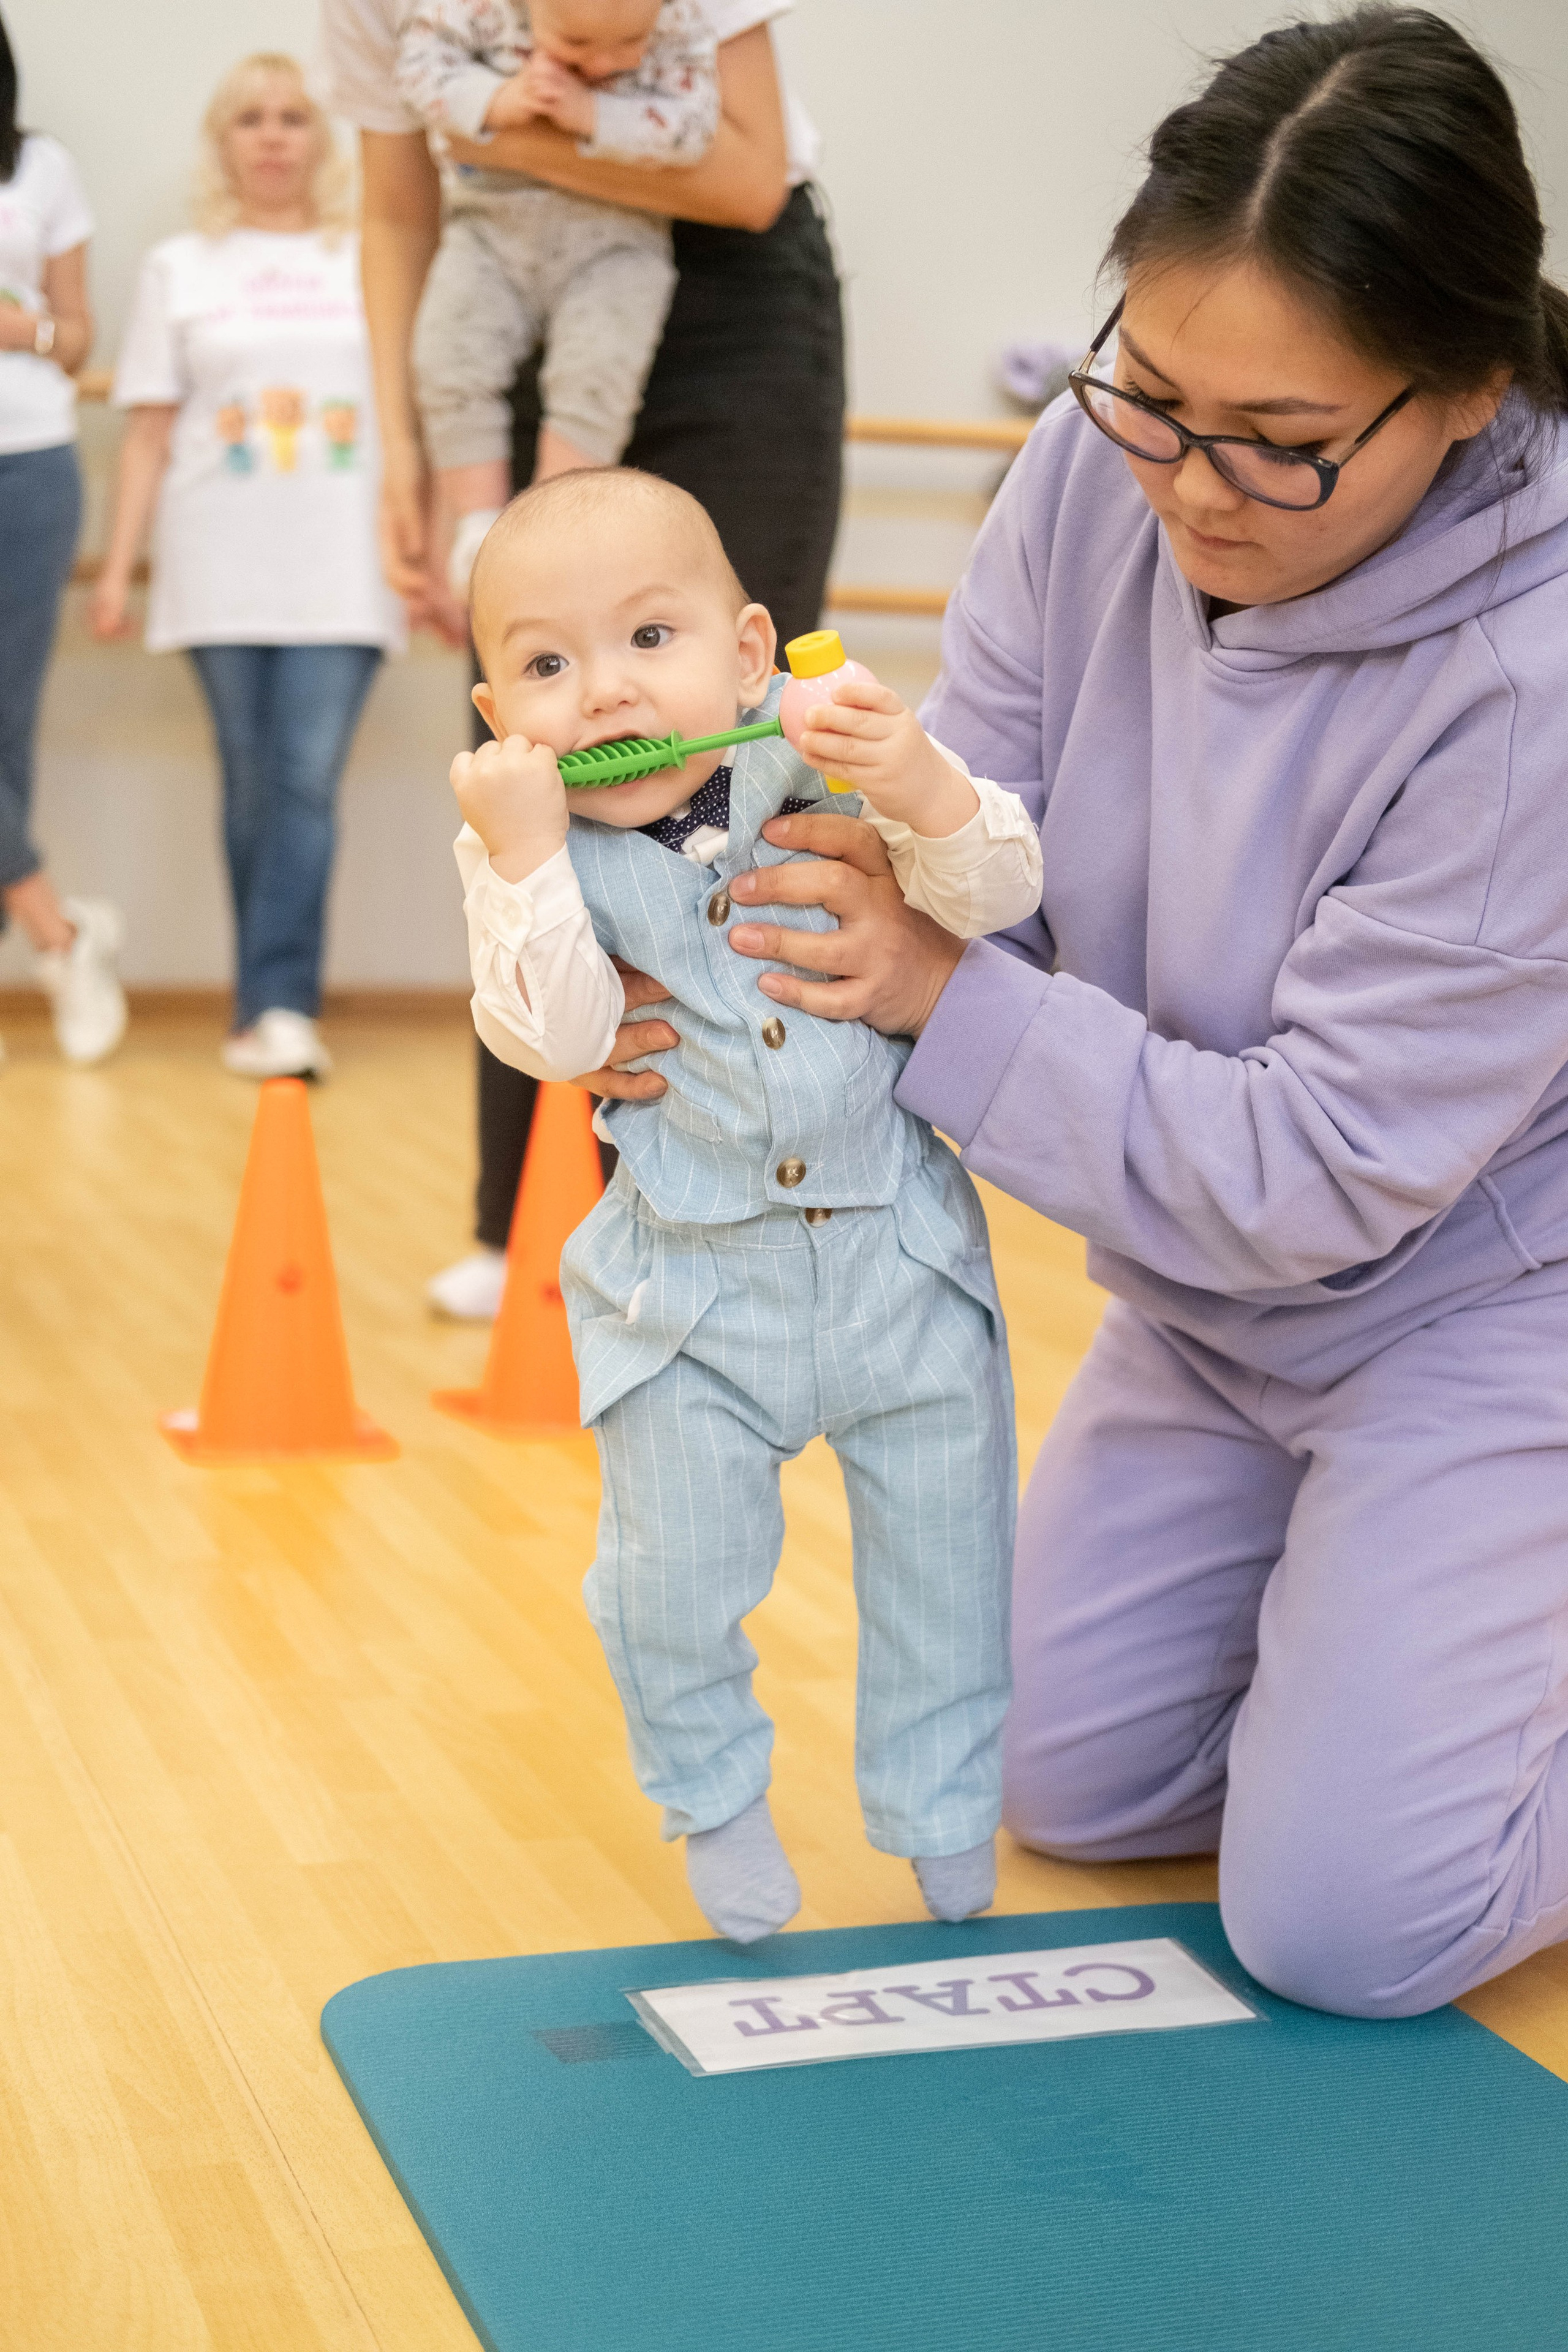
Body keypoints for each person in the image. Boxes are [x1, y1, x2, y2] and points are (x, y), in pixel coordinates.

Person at [606, 3, 1568, 2019]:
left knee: (1348, 1930)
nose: (1194, 488)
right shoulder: (1089, 467)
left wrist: (931, 985)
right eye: (1155, 393)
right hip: (1213, 1303)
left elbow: (1315, 1167)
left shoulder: (1533, 683)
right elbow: (968, 848)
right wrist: (708, 961)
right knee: (1060, 1776)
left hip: (1485, 1308)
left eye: (1284, 442)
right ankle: (1403, 1636)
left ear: (1473, 388)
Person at [451, 466, 1042, 1939]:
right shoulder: (523, 852)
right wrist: (524, 858)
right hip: (685, 1297)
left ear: (748, 651)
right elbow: (555, 1039)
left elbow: (998, 894)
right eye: (546, 667)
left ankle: (941, 1813)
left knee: (950, 1566)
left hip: (903, 1263)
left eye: (648, 638)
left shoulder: (835, 760)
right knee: (666, 1581)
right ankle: (709, 1797)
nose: (603, 691)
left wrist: (921, 783)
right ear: (497, 721)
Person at [318, 0, 844, 1317]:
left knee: (731, 756)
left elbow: (742, 173)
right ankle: (529, 1218)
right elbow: (396, 209)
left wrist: (503, 130)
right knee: (538, 767)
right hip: (502, 268)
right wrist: (402, 446)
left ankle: (767, 1192)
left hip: (724, 296)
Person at [91, 53, 404, 1080]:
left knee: (304, 780)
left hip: (346, 568)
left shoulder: (372, 256)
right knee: (250, 787)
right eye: (252, 119)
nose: (273, 136)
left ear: (323, 140)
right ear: (223, 141)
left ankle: (281, 1006)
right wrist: (115, 570)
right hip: (215, 563)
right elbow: (148, 434)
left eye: (293, 118)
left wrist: (435, 556)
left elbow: (415, 420)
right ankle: (257, 1008)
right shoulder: (180, 267)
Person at [396, 0, 719, 591]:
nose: (603, 64)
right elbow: (417, 71)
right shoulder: (473, 10)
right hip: (490, 227)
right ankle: (478, 526)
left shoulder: (678, 21)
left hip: (617, 238)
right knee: (447, 361)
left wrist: (593, 113)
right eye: (577, 45)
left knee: (597, 374)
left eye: (629, 45)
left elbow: (695, 129)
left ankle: (556, 526)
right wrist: (500, 99)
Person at [0, 7, 126, 1067]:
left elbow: (77, 335)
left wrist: (22, 327)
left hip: (26, 463)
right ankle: (57, 930)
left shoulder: (41, 168)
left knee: (6, 729)